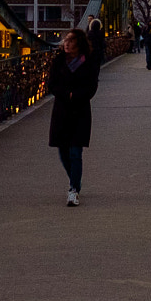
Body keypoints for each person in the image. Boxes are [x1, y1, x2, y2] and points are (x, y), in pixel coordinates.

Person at [48, 29, 99, 206]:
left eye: (70, 41)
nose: (66, 44)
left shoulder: (90, 61)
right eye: (65, 41)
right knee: (63, 152)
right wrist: (65, 94)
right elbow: (51, 84)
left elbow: (92, 86)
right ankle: (75, 180)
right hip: (61, 111)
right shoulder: (59, 60)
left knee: (75, 152)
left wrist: (75, 95)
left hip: (80, 111)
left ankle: (73, 189)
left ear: (79, 43)